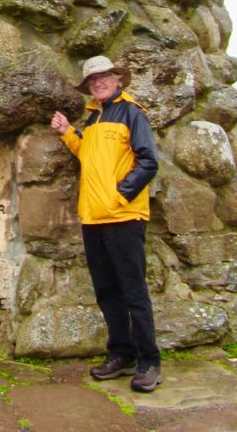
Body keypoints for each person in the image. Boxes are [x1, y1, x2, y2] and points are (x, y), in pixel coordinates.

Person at [50, 54, 162, 393]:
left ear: (117, 79)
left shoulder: (132, 112)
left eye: (103, 77)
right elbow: (89, 155)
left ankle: (149, 362)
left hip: (123, 216)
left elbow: (148, 160)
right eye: (91, 80)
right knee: (107, 292)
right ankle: (121, 354)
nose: (97, 82)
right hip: (94, 218)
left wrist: (121, 196)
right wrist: (69, 133)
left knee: (133, 292)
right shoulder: (95, 118)